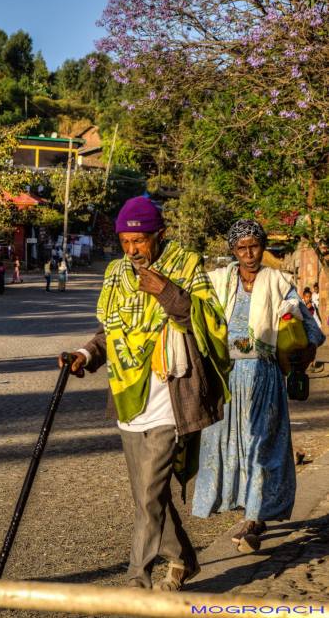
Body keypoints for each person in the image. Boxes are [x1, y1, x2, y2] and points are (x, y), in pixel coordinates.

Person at [58, 197, 231, 591]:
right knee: (146, 496)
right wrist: (85, 355)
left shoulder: (185, 266)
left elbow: (213, 325)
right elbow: (111, 331)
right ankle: (184, 559)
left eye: (141, 241)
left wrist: (168, 292)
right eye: (125, 241)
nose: (133, 250)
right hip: (128, 396)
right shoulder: (116, 273)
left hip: (172, 397)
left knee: (150, 492)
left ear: (161, 235)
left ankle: (138, 576)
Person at [192, 220, 325, 553]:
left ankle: (253, 519)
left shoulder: (278, 283)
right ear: (233, 251)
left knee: (261, 447)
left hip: (264, 377)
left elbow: (312, 329)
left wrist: (300, 357)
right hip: (227, 378)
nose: (249, 254)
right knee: (230, 446)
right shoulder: (219, 282)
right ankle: (249, 512)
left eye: (255, 246)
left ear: (263, 247)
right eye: (242, 248)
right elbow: (196, 316)